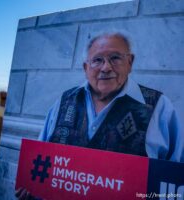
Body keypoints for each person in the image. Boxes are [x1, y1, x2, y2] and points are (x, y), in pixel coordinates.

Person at [16, 32, 183, 200]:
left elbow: (175, 180)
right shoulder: (64, 101)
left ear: (130, 62)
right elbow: (39, 158)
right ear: (85, 67)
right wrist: (30, 187)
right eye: (97, 60)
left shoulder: (159, 107)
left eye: (115, 58)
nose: (106, 67)